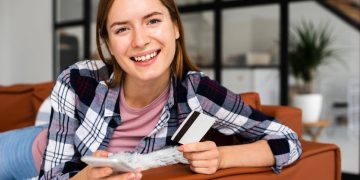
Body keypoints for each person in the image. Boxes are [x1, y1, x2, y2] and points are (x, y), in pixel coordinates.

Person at [0, 0, 302, 179]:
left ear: (175, 27)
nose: (140, 40)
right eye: (122, 28)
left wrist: (222, 158)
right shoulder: (78, 80)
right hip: (32, 150)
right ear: (108, 42)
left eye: (152, 21)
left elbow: (287, 141)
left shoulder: (198, 94)